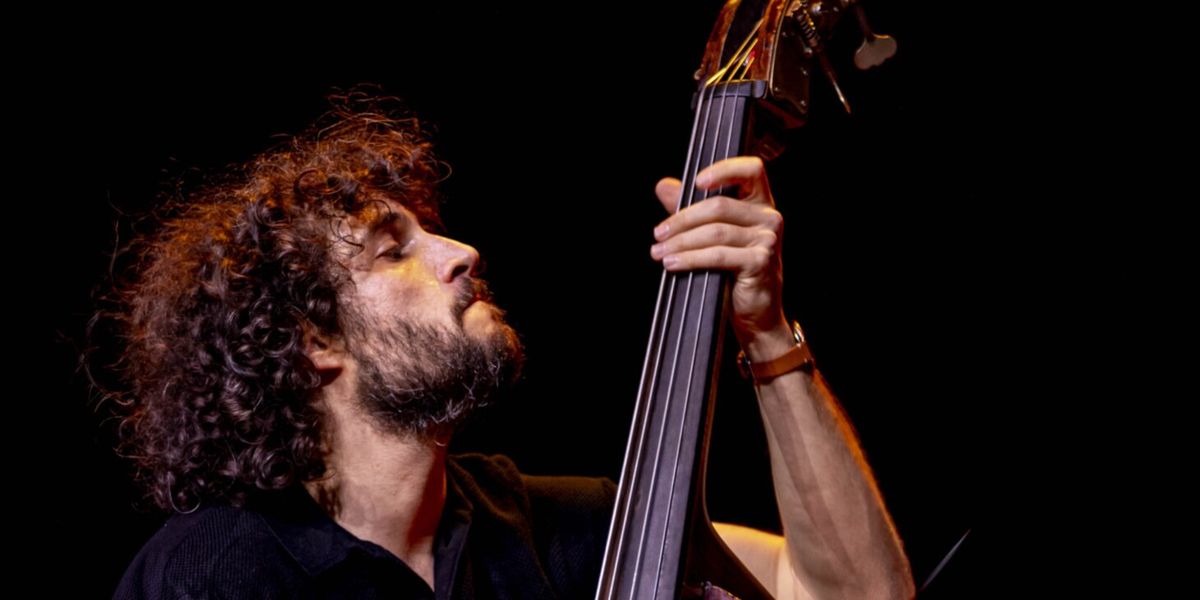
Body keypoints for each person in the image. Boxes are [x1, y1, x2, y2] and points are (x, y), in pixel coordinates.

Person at [100, 92, 914, 599]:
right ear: (314, 340)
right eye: (394, 251)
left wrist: (764, 332)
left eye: (434, 231)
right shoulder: (216, 573)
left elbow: (856, 595)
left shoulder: (569, 527)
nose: (461, 253)